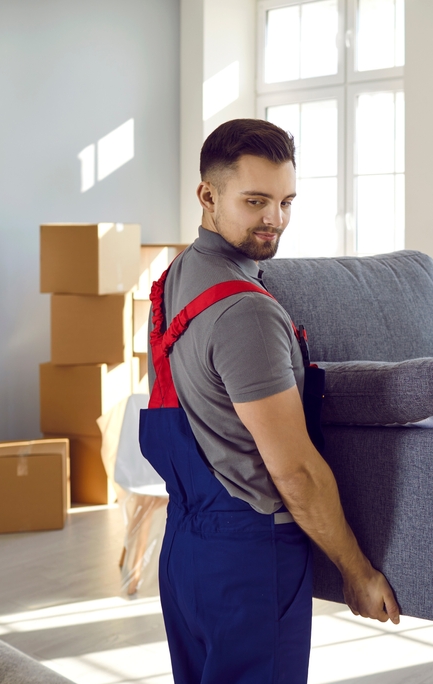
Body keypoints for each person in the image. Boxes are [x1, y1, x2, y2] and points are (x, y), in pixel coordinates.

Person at [141, 118, 399, 683]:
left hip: (185, 551)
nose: (274, 220)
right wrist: (356, 571)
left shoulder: (176, 278)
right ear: (208, 195)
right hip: (251, 558)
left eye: (286, 201)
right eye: (256, 201)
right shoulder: (248, 313)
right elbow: (298, 473)